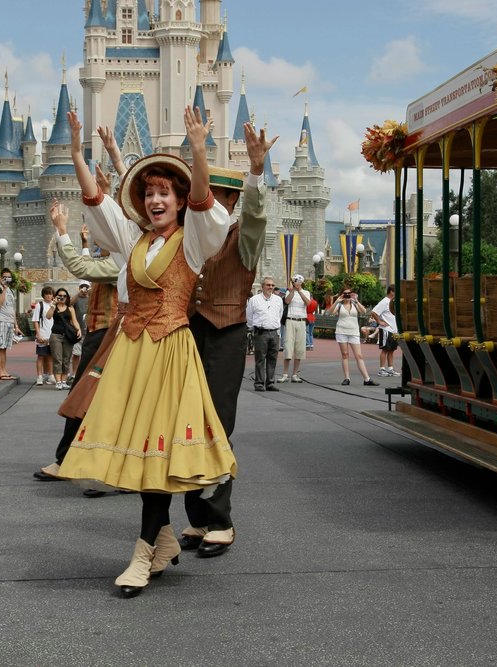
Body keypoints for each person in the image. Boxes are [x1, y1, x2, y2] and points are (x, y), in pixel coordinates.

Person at [57, 106, 236, 598]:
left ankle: (142, 550)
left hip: (168, 354)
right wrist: (75, 152)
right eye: (150, 193)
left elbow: (204, 203)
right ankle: (161, 537)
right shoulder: (135, 239)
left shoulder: (193, 241)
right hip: (132, 352)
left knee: (155, 454)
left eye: (165, 192)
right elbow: (97, 201)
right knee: (135, 452)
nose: (156, 199)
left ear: (179, 200)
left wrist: (198, 150)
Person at [181, 120, 276, 558]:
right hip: (187, 332)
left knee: (216, 423)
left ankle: (221, 519)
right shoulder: (186, 238)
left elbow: (257, 216)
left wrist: (256, 171)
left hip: (225, 334)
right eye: (199, 196)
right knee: (183, 422)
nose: (203, 204)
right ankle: (197, 519)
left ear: (230, 200)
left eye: (215, 196)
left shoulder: (244, 238)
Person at [34, 197, 121, 486]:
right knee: (86, 397)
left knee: (90, 397)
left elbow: (80, 267)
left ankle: (91, 464)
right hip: (102, 334)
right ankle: (73, 459)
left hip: (111, 337)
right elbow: (86, 263)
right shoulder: (112, 256)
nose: (94, 232)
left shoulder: (120, 260)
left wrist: (61, 228)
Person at [330, 288, 378, 386]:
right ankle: (347, 378)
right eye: (345, 293)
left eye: (349, 293)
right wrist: (336, 301)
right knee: (345, 354)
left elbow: (364, 311)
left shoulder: (354, 304)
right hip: (341, 331)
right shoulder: (339, 305)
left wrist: (356, 300)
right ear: (342, 294)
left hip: (353, 332)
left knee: (359, 355)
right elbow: (330, 312)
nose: (347, 295)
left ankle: (366, 379)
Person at [247, 276, 284, 392]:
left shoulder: (278, 300)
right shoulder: (254, 300)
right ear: (262, 286)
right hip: (261, 332)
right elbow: (249, 316)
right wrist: (253, 329)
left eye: (272, 285)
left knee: (273, 359)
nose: (271, 287)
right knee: (260, 359)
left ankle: (270, 383)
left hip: (274, 332)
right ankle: (259, 383)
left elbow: (280, 314)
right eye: (268, 285)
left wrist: (275, 327)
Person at [0, 267, 21, 380]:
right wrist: (3, 289)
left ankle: (4, 370)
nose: (7, 279)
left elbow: (12, 309)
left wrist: (16, 325)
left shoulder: (11, 290)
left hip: (9, 321)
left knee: (5, 347)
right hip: (1, 319)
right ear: (0, 278)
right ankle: (0, 371)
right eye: (5, 277)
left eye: (9, 277)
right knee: (0, 346)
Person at [279, 274, 311, 382]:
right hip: (290, 320)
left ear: (301, 282)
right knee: (288, 347)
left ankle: (294, 374)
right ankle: (285, 374)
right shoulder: (289, 291)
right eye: (294, 282)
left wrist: (300, 291)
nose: (296, 284)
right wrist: (293, 290)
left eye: (298, 282)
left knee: (300, 348)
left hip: (301, 321)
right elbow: (287, 301)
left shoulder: (306, 292)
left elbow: (308, 303)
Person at [48, 287, 81, 389]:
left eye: (64, 296)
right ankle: (58, 381)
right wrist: (53, 306)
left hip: (67, 336)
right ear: (56, 296)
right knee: (58, 358)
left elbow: (74, 321)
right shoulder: (54, 307)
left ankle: (63, 380)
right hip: (55, 335)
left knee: (66, 359)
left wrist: (78, 329)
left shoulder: (70, 308)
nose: (62, 298)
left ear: (67, 297)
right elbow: (48, 316)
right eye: (60, 296)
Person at [372, 284, 401, 377]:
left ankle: (390, 368)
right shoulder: (385, 302)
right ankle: (382, 369)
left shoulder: (393, 302)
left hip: (394, 330)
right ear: (391, 292)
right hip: (386, 329)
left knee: (392, 349)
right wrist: (379, 322)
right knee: (385, 349)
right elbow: (374, 312)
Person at [31, 285, 55, 386]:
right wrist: (38, 334)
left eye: (50, 294)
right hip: (43, 334)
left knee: (50, 356)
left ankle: (50, 375)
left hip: (53, 335)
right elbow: (35, 321)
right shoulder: (39, 305)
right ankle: (39, 376)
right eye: (47, 294)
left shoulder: (55, 305)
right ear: (43, 295)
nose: (48, 296)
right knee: (41, 356)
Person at [70, 279, 91, 381]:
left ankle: (85, 373)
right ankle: (74, 373)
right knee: (76, 354)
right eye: (82, 287)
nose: (84, 289)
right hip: (78, 331)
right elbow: (69, 303)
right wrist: (79, 293)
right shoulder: (76, 299)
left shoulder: (91, 298)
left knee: (87, 354)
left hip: (89, 331)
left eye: (86, 287)